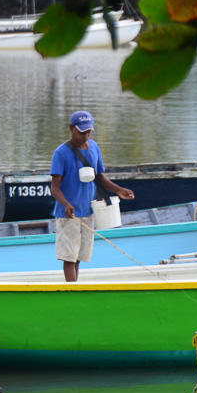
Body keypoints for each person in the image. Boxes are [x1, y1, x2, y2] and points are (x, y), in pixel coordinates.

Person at [50, 110, 135, 282]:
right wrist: (66, 204)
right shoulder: (61, 153)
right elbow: (54, 187)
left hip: (88, 211)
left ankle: (75, 287)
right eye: (82, 132)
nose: (86, 135)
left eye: (89, 131)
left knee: (80, 255)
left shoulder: (94, 147)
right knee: (69, 257)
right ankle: (72, 292)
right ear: (71, 129)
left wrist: (118, 190)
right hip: (69, 214)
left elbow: (99, 176)